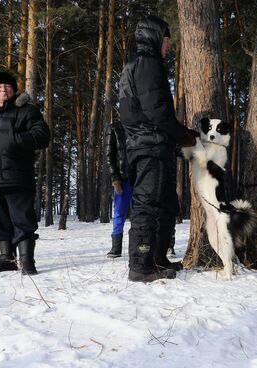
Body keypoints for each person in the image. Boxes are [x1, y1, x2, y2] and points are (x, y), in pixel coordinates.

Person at [118, 16, 198, 282]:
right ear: (155, 37)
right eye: (167, 40)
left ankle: (157, 257)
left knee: (165, 204)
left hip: (153, 145)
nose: (169, 47)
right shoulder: (147, 64)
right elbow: (157, 111)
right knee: (148, 205)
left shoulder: (142, 65)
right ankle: (141, 266)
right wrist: (183, 135)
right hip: (149, 145)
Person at [0, 71, 50, 274]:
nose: (2, 89)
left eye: (7, 86)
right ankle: (6, 258)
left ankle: (27, 262)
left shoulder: (26, 111)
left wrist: (14, 140)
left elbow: (42, 135)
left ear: (13, 90)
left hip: (17, 177)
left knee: (22, 220)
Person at [106, 120, 133, 258]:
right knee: (119, 214)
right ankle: (116, 248)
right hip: (122, 180)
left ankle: (138, 247)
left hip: (140, 179)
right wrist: (115, 179)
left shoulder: (141, 125)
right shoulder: (115, 128)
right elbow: (109, 156)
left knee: (141, 215)